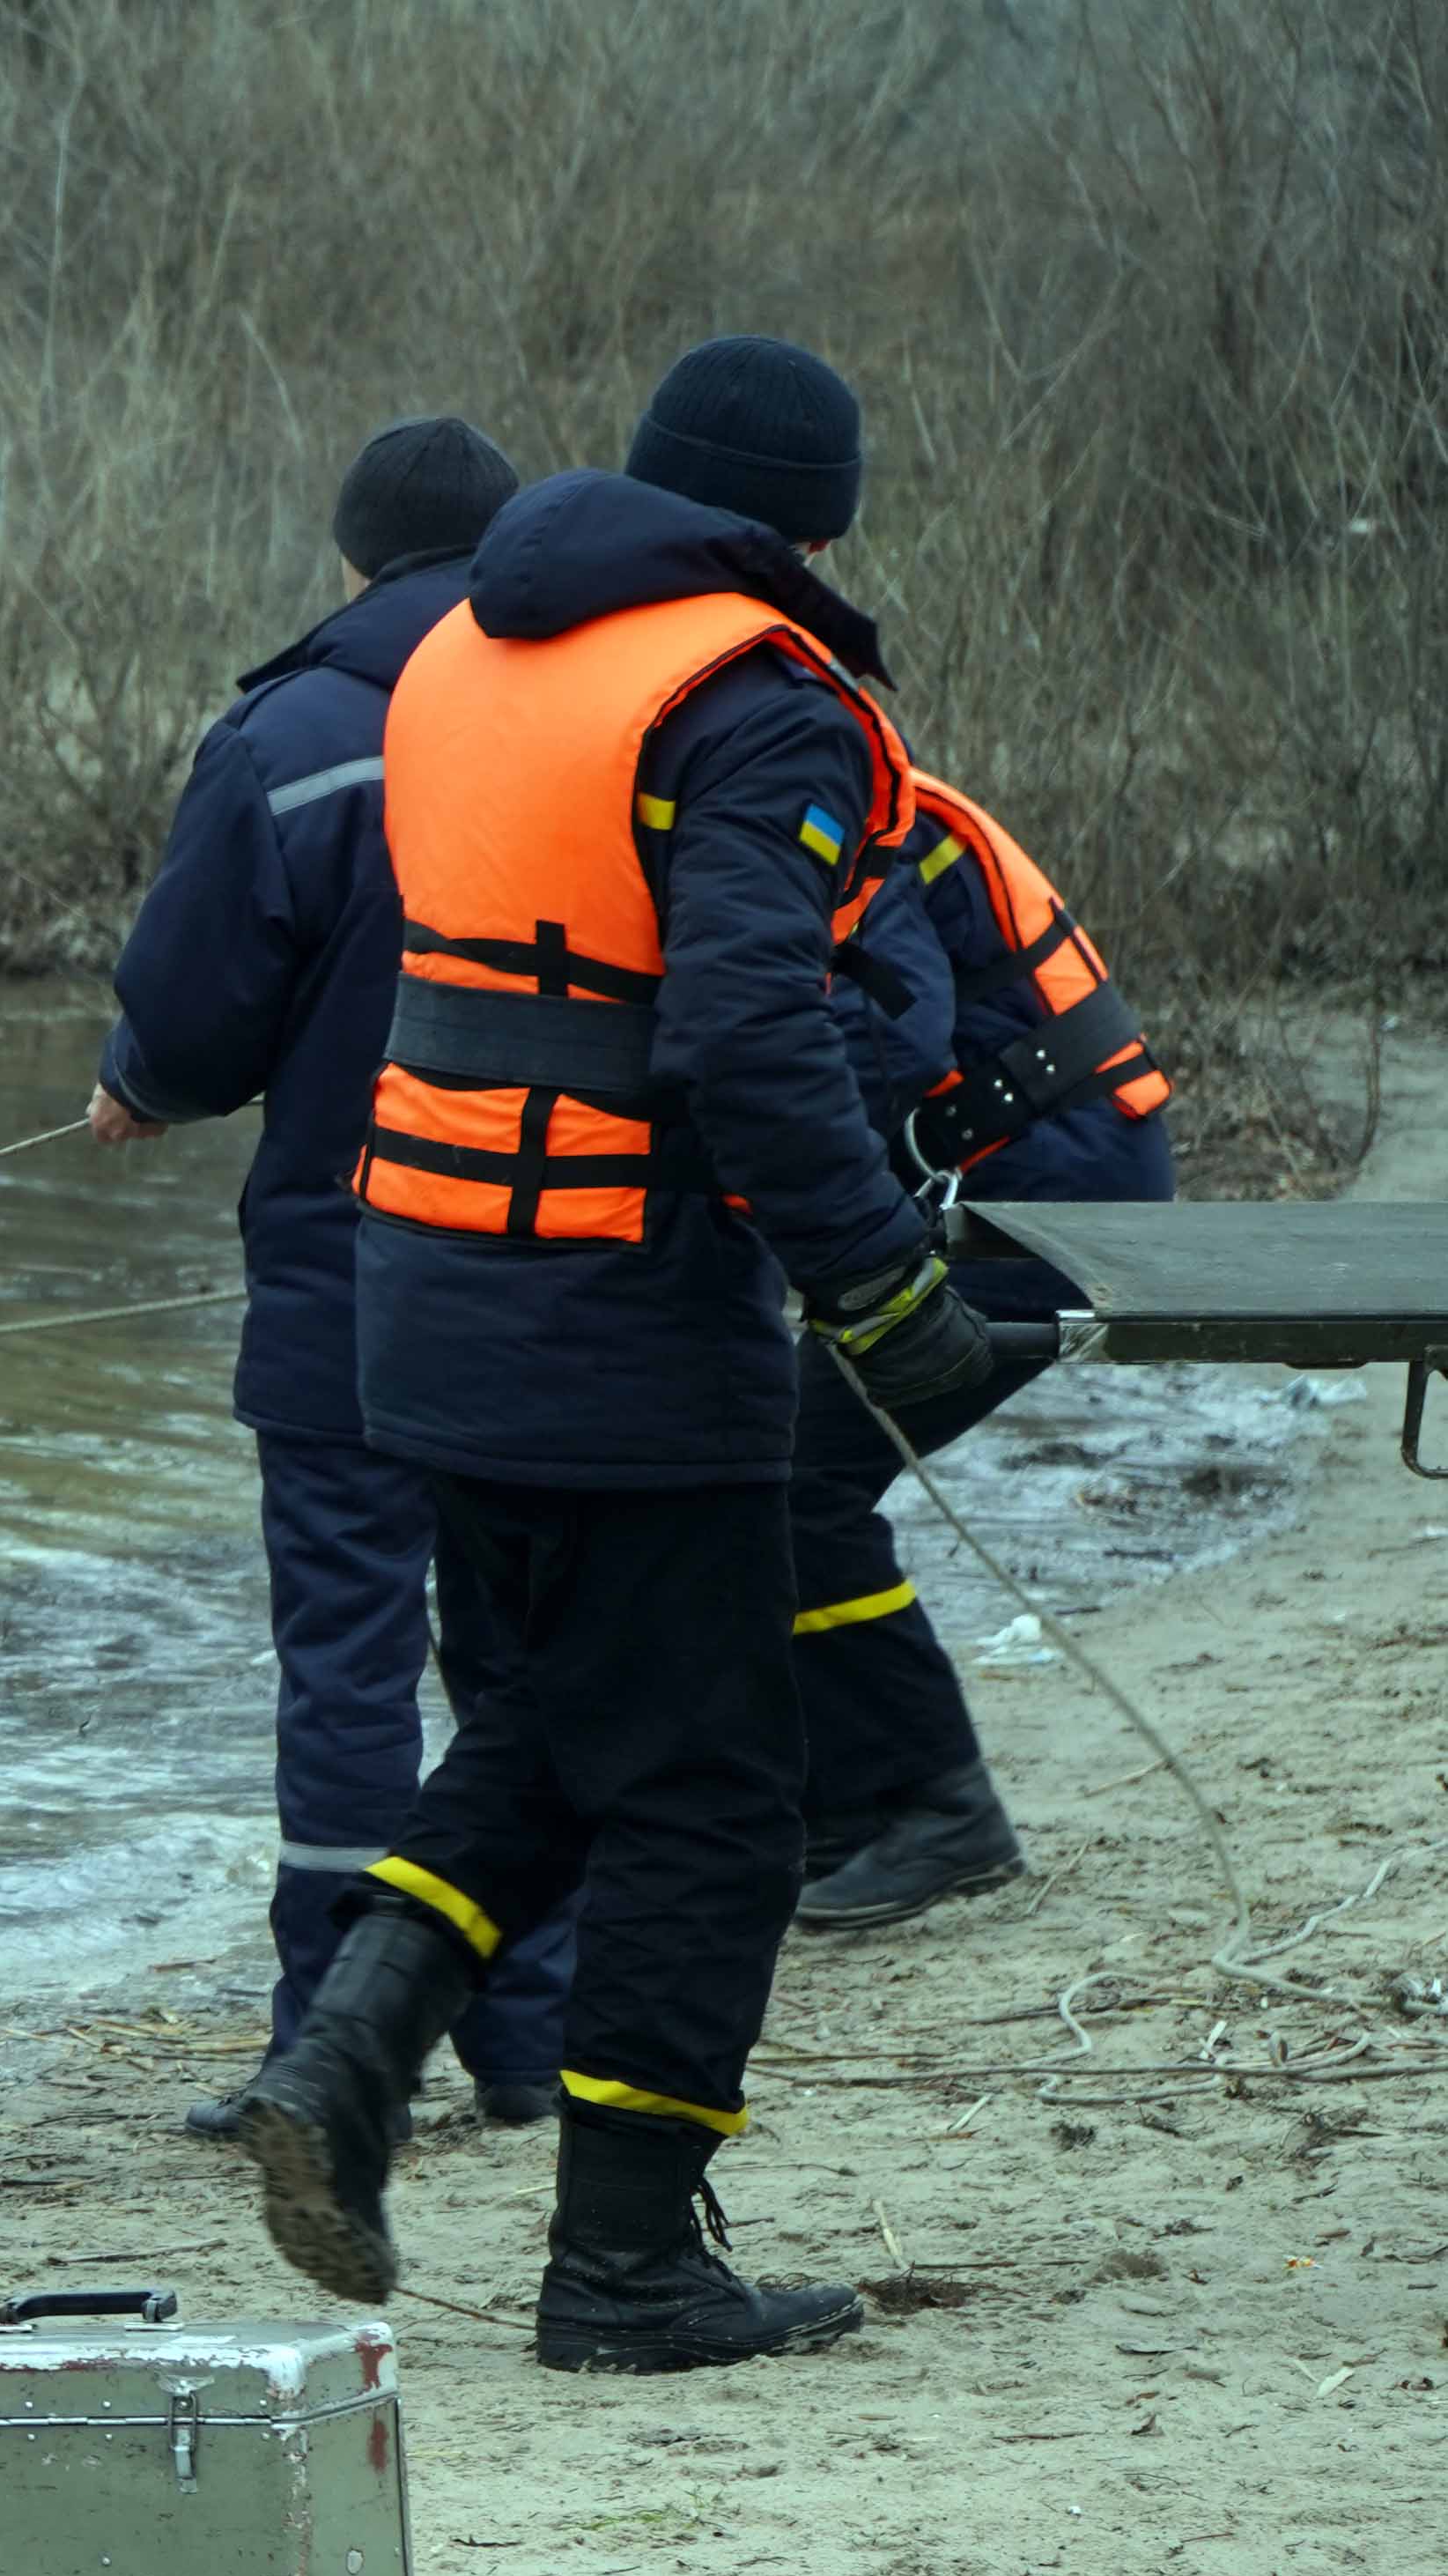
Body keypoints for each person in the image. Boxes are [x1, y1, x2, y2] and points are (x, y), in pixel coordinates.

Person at [234, 337, 999, 2375]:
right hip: (622, 1318)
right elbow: (742, 1030)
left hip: (419, 1293)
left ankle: (344, 2063)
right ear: (808, 524)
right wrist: (885, 1296)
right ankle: (624, 2269)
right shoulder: (752, 699)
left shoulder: (468, 655)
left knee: (560, 1727)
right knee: (715, 1797)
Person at [86, 415, 575, 2139]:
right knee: (522, 1663)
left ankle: (327, 2040)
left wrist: (133, 1084)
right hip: (564, 1276)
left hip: (348, 1281)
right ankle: (528, 2035)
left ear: (348, 561)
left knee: (350, 1668)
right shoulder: (601, 723)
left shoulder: (292, 736)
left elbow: (196, 1017)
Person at [787, 772, 1176, 1927]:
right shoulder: (831, 785)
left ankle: (935, 1804)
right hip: (1033, 1166)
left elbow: (881, 1032)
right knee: (785, 1461)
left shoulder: (833, 808)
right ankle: (851, 1806)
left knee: (799, 1472)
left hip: (1052, 1193)